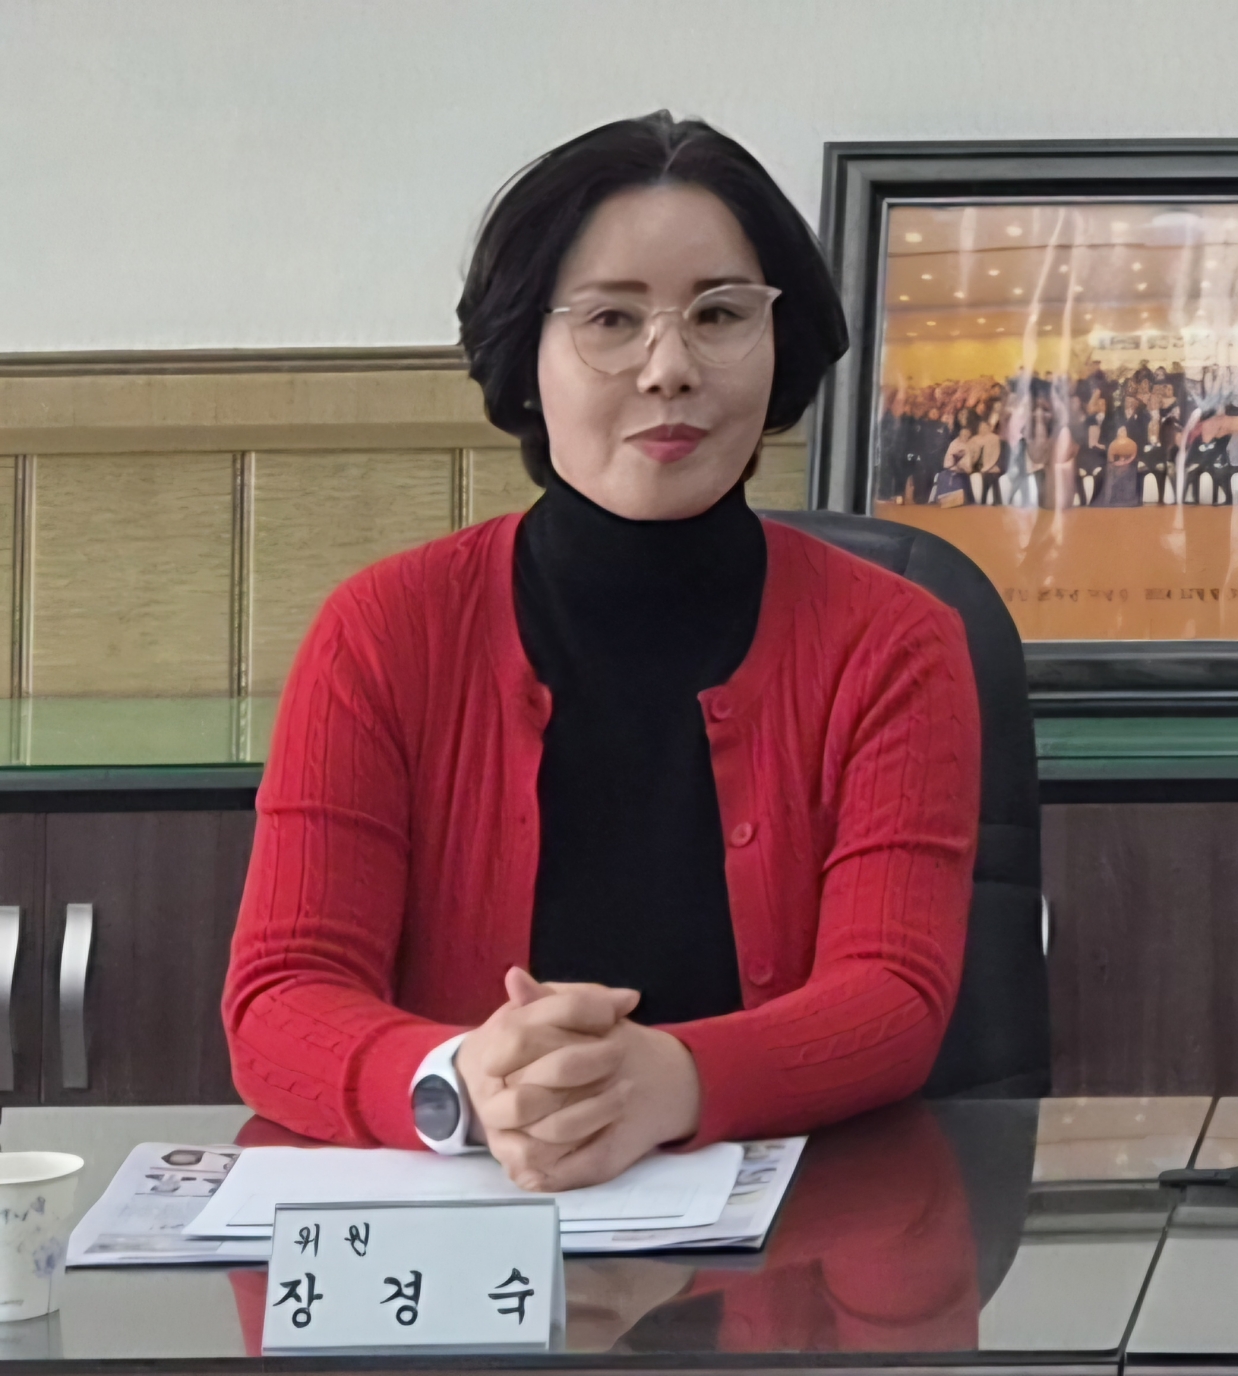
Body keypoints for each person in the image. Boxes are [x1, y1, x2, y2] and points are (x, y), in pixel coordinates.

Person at [223, 112, 981, 1192]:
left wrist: (669, 1080)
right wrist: (459, 1081)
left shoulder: (893, 642)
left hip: (800, 1248)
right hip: (460, 1239)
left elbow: (891, 994)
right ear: (526, 357)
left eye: (720, 314)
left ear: (781, 344)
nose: (669, 368)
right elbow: (281, 998)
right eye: (611, 319)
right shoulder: (383, 632)